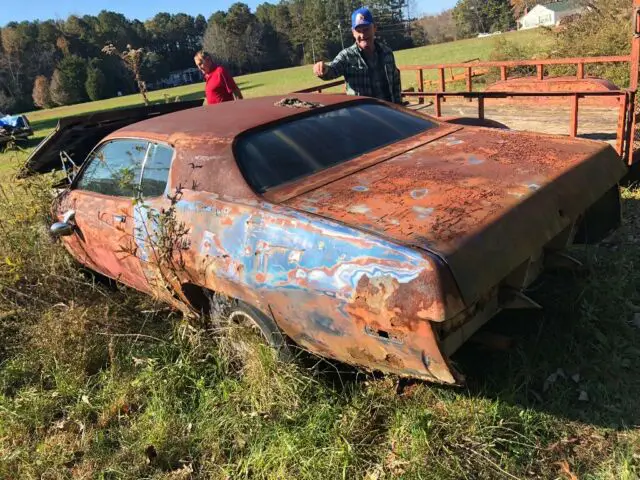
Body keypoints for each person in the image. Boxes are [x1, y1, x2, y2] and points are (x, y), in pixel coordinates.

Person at [312, 7, 401, 104]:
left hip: (387, 112)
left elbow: (395, 83)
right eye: (358, 31)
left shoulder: (387, 53)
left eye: (366, 29)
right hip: (362, 115)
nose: (362, 35)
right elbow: (333, 70)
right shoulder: (347, 56)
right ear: (353, 33)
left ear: (374, 28)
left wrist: (400, 108)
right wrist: (323, 69)